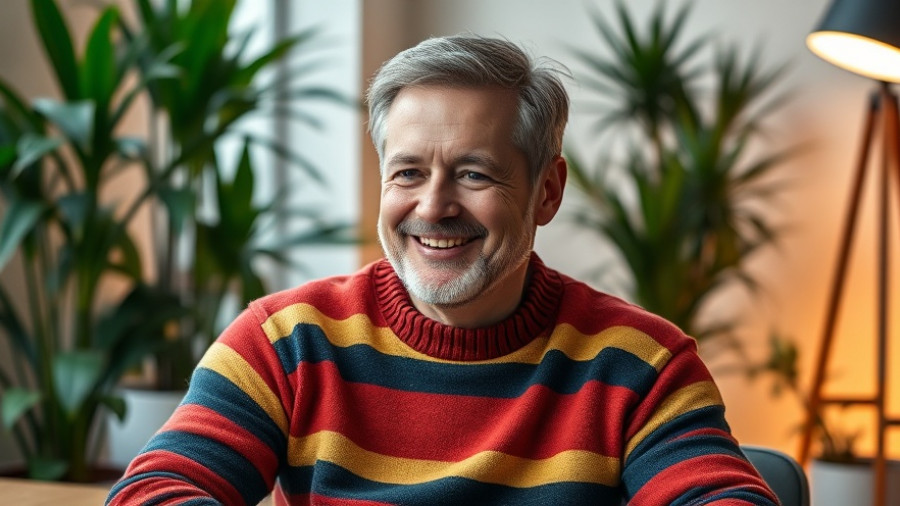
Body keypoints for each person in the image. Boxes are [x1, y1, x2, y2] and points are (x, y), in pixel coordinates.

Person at [106, 35, 778, 505]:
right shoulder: (287, 341)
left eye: (474, 173)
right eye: (408, 172)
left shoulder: (641, 363)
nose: (433, 206)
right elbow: (152, 492)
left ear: (547, 192)